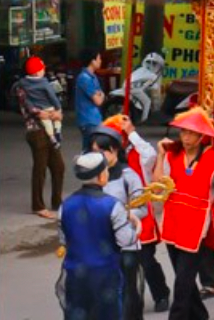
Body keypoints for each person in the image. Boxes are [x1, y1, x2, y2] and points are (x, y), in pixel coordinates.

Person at [153, 108, 214, 320]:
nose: (185, 137)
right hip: (172, 219)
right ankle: (200, 316)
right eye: (183, 132)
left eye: (191, 133)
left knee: (183, 279)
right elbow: (158, 185)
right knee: (182, 276)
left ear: (201, 136)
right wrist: (160, 155)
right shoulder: (172, 155)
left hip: (196, 224)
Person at [102, 114, 172, 313]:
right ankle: (125, 301)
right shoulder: (103, 160)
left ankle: (161, 293)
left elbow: (150, 155)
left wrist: (131, 132)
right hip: (114, 217)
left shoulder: (138, 153)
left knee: (146, 260)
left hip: (139, 214)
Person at [58, 152, 139, 319]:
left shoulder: (65, 205)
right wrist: (135, 225)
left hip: (75, 276)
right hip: (105, 276)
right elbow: (126, 240)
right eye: (106, 170)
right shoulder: (112, 205)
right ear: (101, 175)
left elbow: (64, 240)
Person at [90, 124, 149, 320]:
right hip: (101, 243)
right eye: (94, 151)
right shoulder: (94, 177)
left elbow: (142, 209)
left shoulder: (129, 177)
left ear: (114, 150)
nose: (97, 155)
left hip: (126, 244)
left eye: (101, 151)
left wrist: (122, 215)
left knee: (127, 290)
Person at [18, 57, 65, 220]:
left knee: (59, 166)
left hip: (49, 126)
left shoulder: (43, 83)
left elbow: (53, 101)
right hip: (36, 131)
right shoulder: (22, 87)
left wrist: (55, 113)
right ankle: (38, 205)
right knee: (40, 168)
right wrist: (41, 112)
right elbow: (26, 107)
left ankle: (57, 202)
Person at [75, 49, 106, 149]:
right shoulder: (84, 78)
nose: (100, 61)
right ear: (92, 61)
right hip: (88, 120)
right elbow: (98, 100)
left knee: (93, 150)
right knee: (91, 151)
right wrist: (100, 95)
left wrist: (100, 94)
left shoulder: (92, 77)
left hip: (94, 119)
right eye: (99, 58)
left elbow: (100, 94)